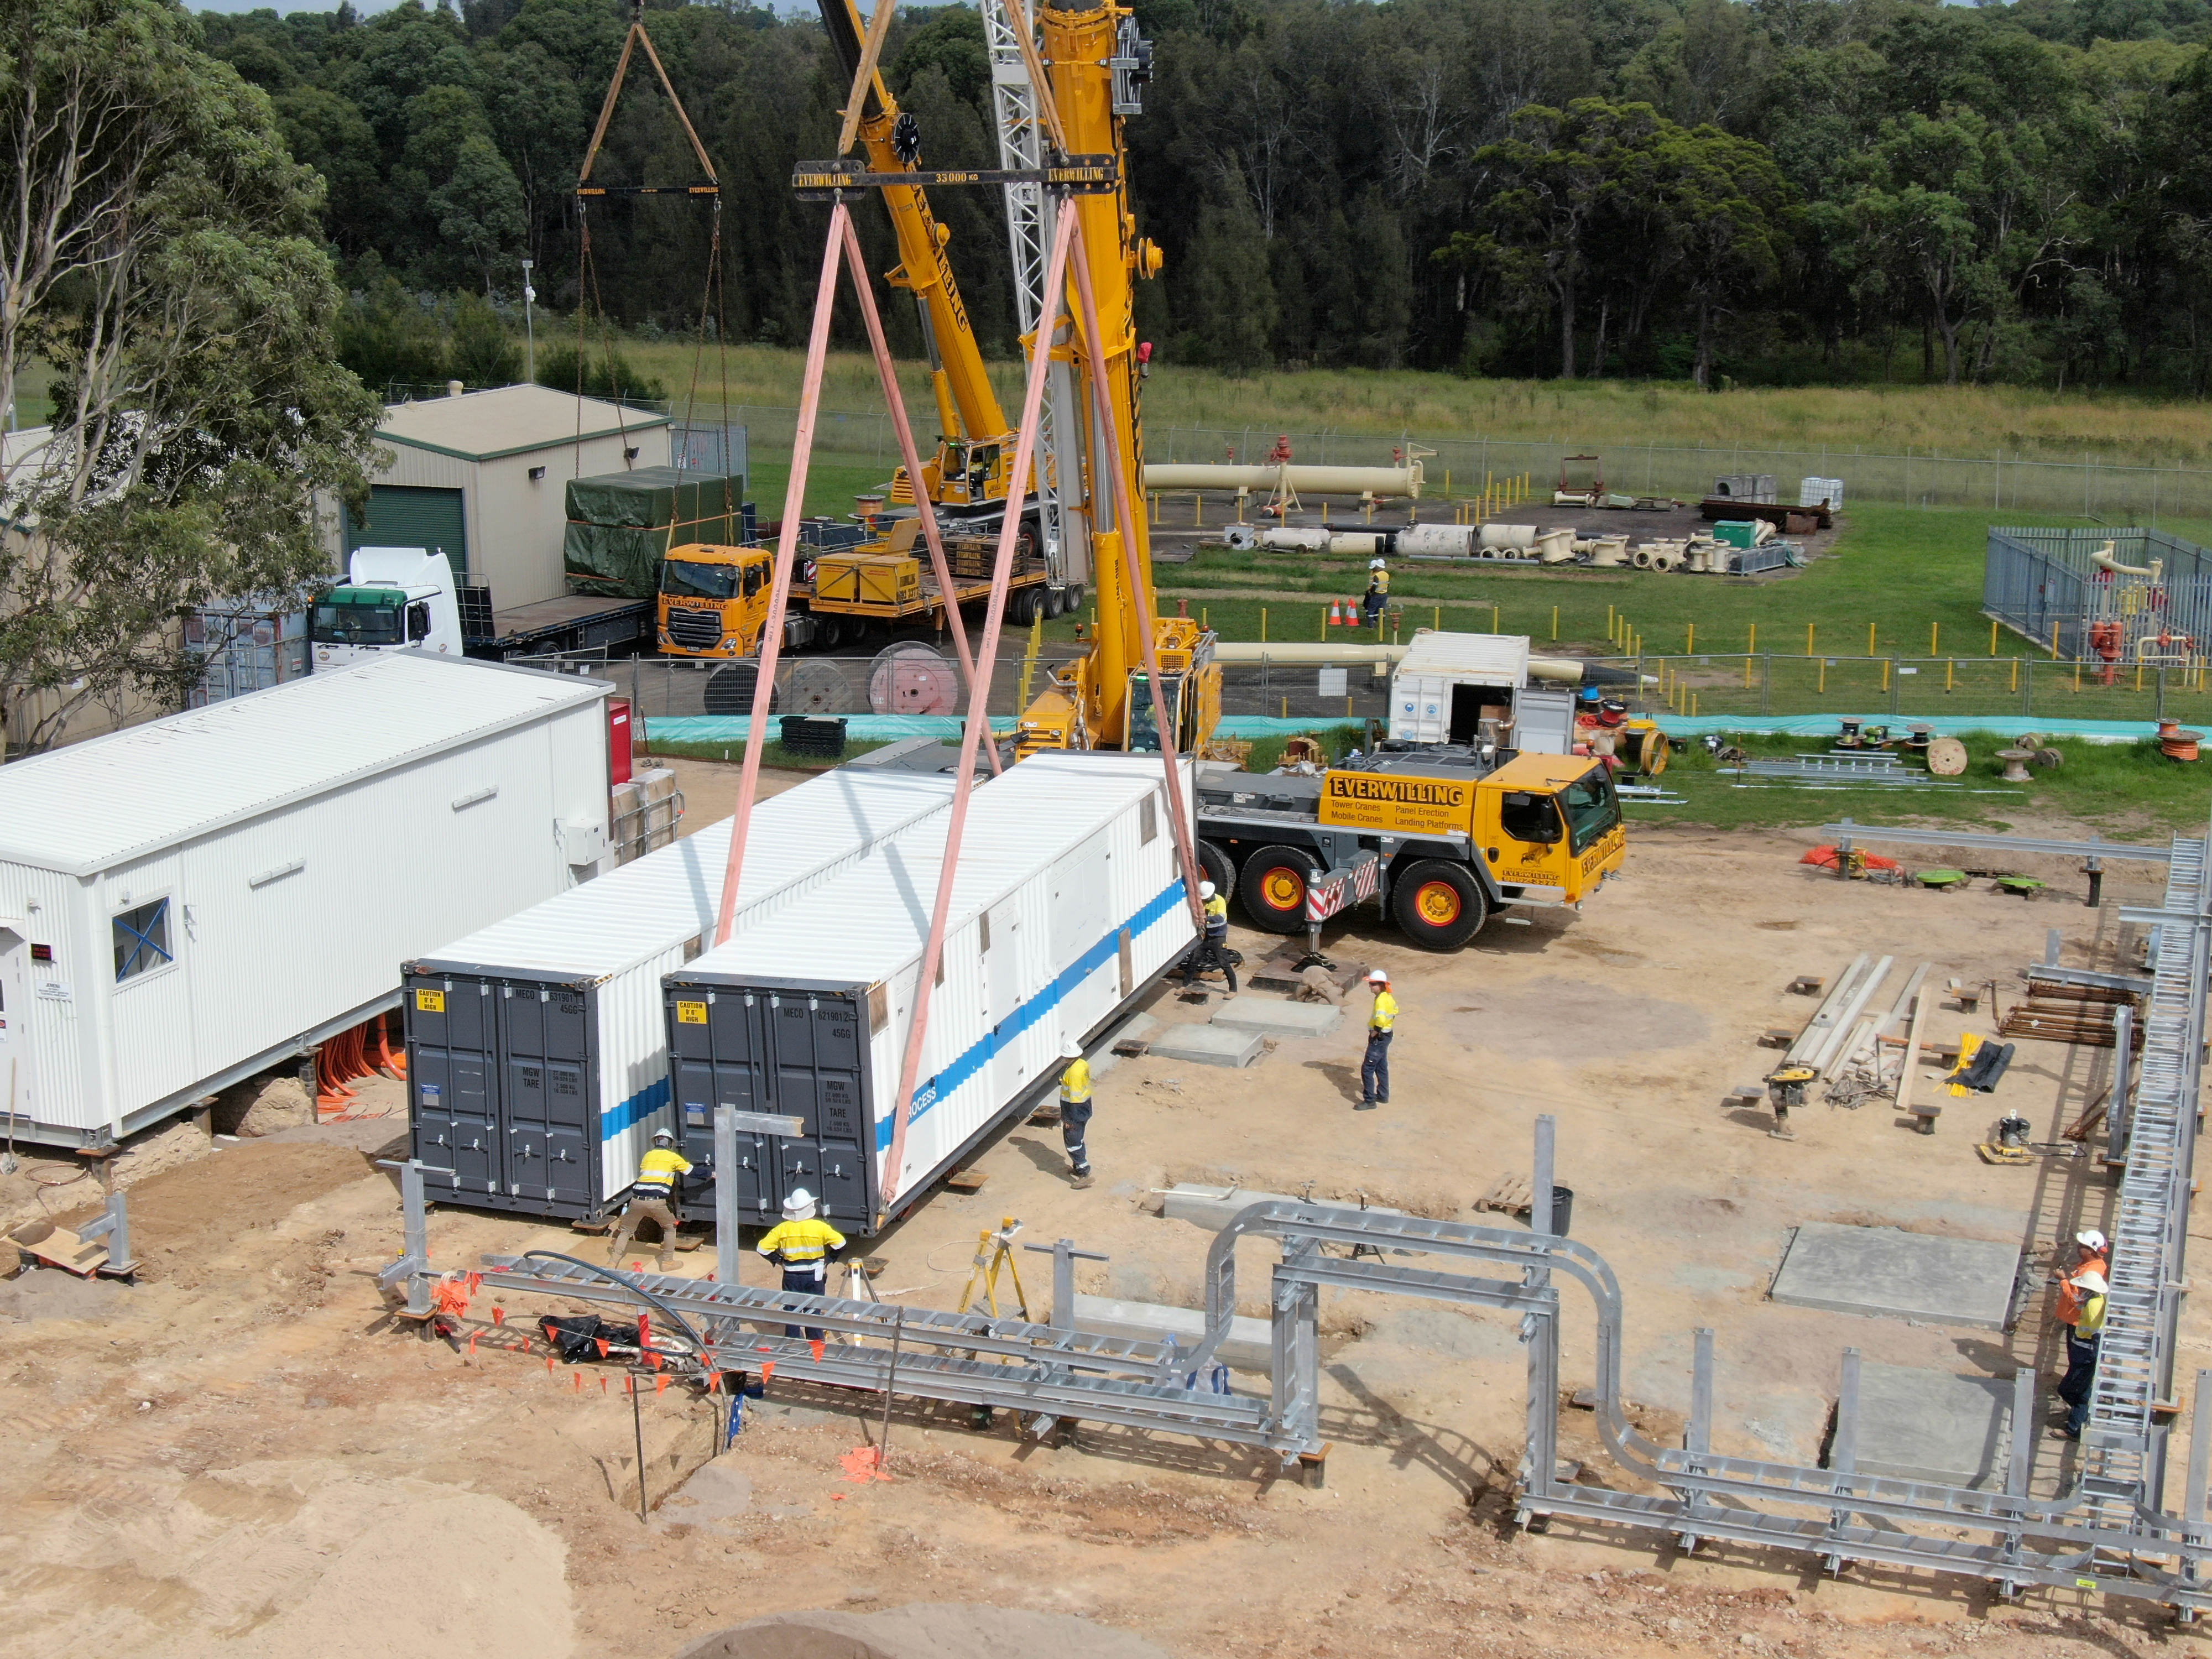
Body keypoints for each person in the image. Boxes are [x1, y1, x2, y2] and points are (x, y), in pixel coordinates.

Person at [755, 1188, 846, 1341]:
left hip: (791, 1275)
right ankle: (816, 1349)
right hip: (815, 1275)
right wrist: (828, 1261)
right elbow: (841, 1244)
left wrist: (779, 1261)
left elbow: (762, 1249)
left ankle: (792, 1344)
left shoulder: (781, 1229)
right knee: (814, 1311)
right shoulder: (820, 1227)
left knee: (791, 1311)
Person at [608, 1128, 691, 1272]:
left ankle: (612, 1262)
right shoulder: (673, 1158)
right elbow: (691, 1172)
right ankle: (667, 1262)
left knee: (626, 1231)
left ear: (656, 1142)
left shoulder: (648, 1156)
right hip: (656, 1202)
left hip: (636, 1201)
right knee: (670, 1227)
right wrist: (712, 1174)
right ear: (670, 1144)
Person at [2057, 1269, 2107, 1441]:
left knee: (2070, 1390)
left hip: (2086, 1354)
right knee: (2081, 1392)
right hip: (2084, 1353)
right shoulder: (2095, 1300)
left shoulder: (2093, 1305)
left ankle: (2078, 1424)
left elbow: (2095, 1332)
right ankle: (2077, 1423)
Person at [1358, 968, 1396, 1110]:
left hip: (1379, 1038)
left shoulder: (1381, 1000)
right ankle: (1383, 1095)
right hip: (1386, 1036)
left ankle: (1369, 1101)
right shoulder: (1388, 997)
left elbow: (1380, 1018)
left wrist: (1376, 1031)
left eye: (1373, 984)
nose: (1370, 987)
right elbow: (1395, 1012)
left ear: (1381, 985)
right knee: (1381, 1066)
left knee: (1367, 1069)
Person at [1058, 1039, 1094, 1188]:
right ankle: (1077, 1167)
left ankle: (1083, 1172)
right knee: (1076, 1139)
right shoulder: (1081, 1064)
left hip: (1075, 1111)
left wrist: (1069, 1119)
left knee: (1073, 1143)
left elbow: (1074, 1099)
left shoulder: (1073, 1073)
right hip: (1085, 1107)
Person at [1363, 558, 1390, 624]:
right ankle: (1382, 623)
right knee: (1382, 609)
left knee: (1371, 609)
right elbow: (1388, 584)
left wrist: (1371, 593)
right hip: (1385, 594)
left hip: (1377, 594)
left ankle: (1371, 625)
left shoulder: (1377, 576)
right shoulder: (1386, 574)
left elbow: (1375, 586)